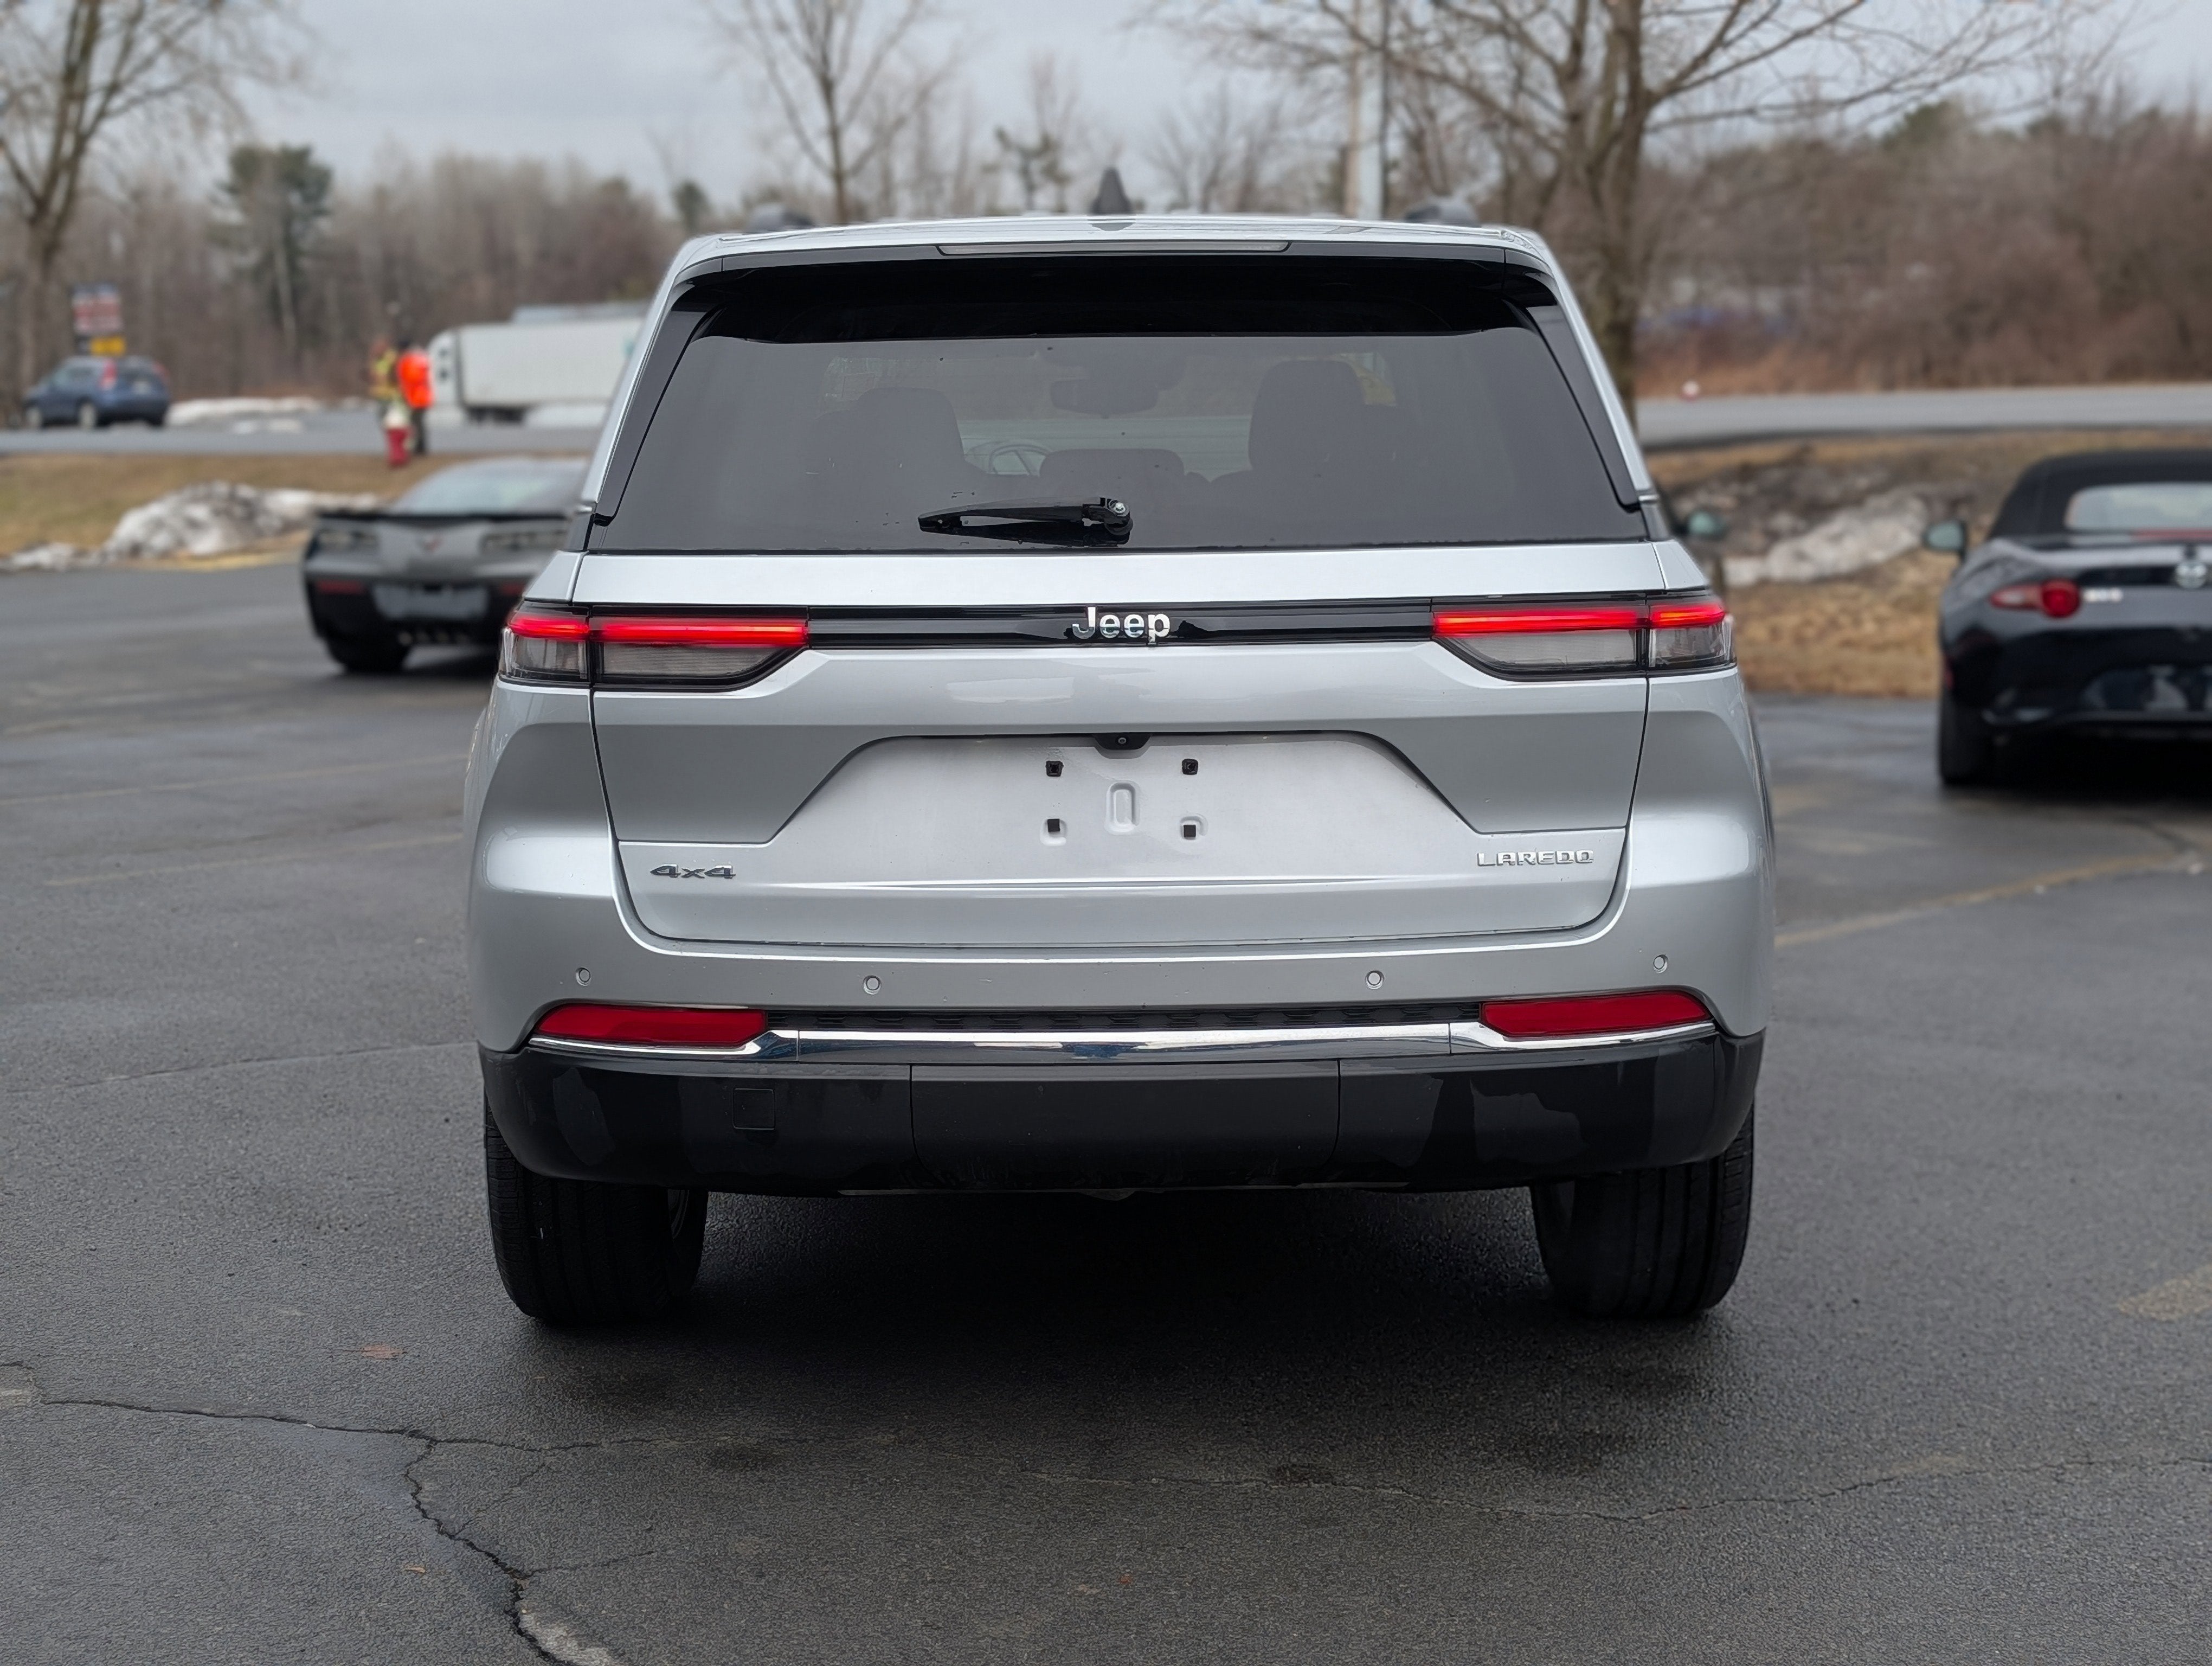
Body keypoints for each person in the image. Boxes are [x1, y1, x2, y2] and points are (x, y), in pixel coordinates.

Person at [395, 339, 433, 458]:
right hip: (419, 397)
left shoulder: (410, 360)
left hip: (416, 398)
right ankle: (419, 447)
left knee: (415, 424)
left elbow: (410, 380)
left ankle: (419, 448)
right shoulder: (419, 357)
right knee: (417, 424)